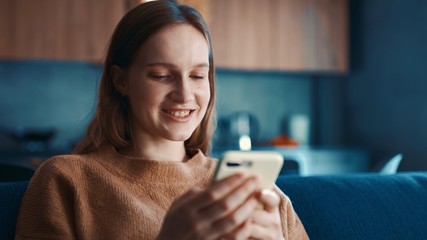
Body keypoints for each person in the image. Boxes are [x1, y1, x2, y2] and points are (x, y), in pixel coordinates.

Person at [15, 1, 308, 239]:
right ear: (121, 80)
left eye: (197, 76)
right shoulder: (66, 181)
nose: (184, 95)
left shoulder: (256, 192)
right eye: (161, 76)